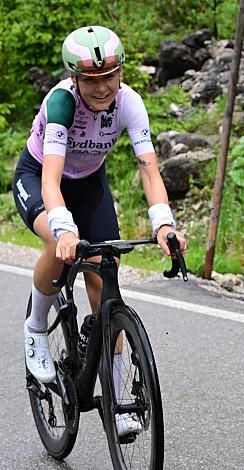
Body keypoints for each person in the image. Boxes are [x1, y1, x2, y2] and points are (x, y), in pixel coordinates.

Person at [13, 25, 187, 436]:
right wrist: (66, 229)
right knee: (58, 244)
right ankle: (37, 326)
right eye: (91, 80)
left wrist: (164, 223)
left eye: (109, 77)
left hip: (89, 182)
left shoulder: (129, 103)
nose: (102, 87)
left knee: (104, 269)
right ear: (75, 78)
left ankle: (116, 393)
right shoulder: (61, 104)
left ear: (121, 73)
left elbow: (148, 167)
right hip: (40, 177)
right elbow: (52, 182)